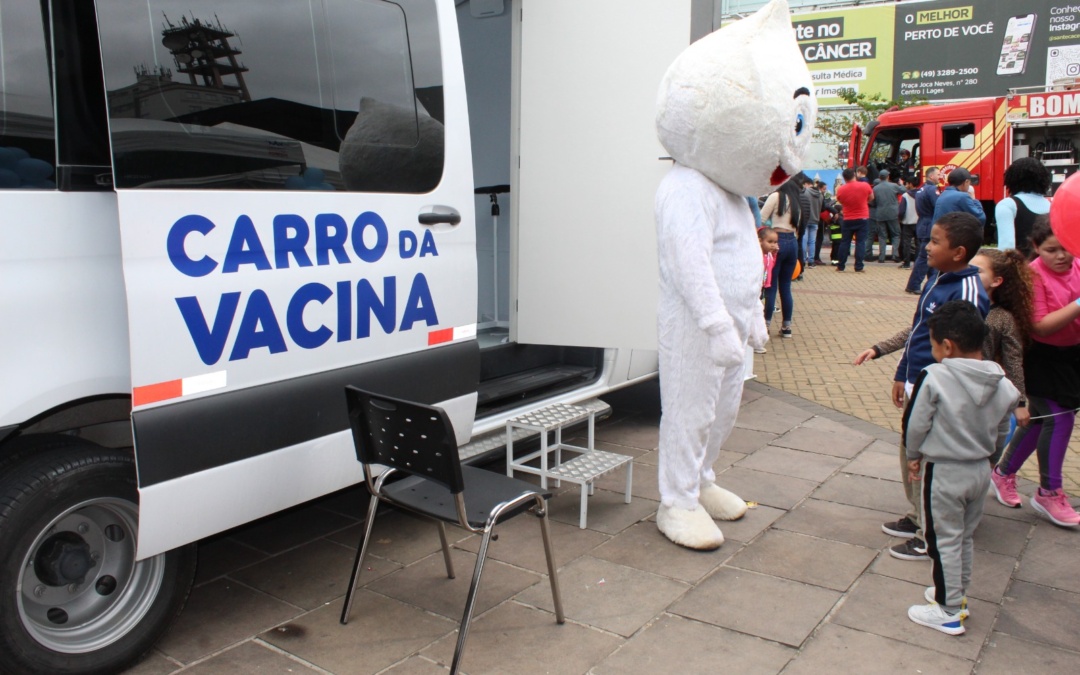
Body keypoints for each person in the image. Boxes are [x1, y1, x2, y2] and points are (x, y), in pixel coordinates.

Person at [853, 212, 989, 561]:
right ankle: (917, 517)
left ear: (958, 252)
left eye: (934, 241)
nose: (926, 246)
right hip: (919, 382)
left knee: (930, 462)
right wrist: (901, 372)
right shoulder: (936, 277)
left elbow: (966, 352)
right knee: (911, 451)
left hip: (943, 392)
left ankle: (932, 534)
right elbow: (918, 332)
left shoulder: (967, 291)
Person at [904, 301, 1019, 636]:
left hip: (943, 470)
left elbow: (916, 424)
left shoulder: (935, 377)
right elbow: (1001, 431)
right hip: (979, 471)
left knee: (941, 540)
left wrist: (914, 454)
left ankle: (948, 609)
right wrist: (991, 460)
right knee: (962, 537)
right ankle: (954, 594)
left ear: (948, 346)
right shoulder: (1004, 384)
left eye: (934, 343)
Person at [991, 217, 1080, 526]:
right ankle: (1049, 491)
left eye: (1067, 249)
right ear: (1035, 247)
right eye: (1051, 250)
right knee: (1059, 418)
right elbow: (1041, 326)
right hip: (1040, 356)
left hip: (1071, 355)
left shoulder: (1078, 265)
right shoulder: (1033, 276)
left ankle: (1002, 474)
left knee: (1041, 421)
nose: (1061, 256)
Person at [970, 248, 1034, 432]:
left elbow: (1013, 360)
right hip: (948, 383)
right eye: (968, 267)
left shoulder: (1003, 318)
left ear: (996, 281)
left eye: (978, 271)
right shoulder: (955, 303)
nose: (970, 273)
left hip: (982, 391)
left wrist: (1020, 402)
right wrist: (881, 348)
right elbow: (917, 331)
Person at [760, 175, 802, 337]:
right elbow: (798, 226)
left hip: (776, 241)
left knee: (771, 285)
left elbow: (762, 217)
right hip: (792, 242)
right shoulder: (796, 199)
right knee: (786, 287)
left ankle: (766, 324)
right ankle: (787, 327)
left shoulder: (776, 197)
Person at [995, 157, 1051, 260]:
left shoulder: (1008, 205)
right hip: (1049, 268)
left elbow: (1007, 247)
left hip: (1022, 270)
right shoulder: (1052, 205)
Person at [906, 167, 940, 294]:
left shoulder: (921, 189)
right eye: (938, 174)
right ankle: (914, 284)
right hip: (929, 225)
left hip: (922, 224)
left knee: (929, 255)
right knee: (924, 257)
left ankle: (932, 282)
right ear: (931, 176)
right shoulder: (932, 190)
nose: (940, 176)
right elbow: (937, 205)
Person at [834, 167, 874, 272]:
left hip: (848, 218)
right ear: (854, 175)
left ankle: (841, 266)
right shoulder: (865, 186)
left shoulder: (841, 189)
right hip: (863, 217)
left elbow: (840, 200)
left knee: (845, 242)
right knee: (860, 242)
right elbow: (871, 198)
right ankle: (859, 267)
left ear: (844, 178)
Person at [871, 170, 906, 263]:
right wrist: (901, 184)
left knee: (882, 236)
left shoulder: (875, 188)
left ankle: (881, 257)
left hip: (880, 214)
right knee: (896, 234)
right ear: (888, 176)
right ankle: (895, 255)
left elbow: (873, 202)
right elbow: (904, 190)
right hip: (893, 214)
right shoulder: (894, 186)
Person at [756, 227, 779, 354]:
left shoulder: (769, 255)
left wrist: (774, 254)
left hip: (764, 285)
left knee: (760, 310)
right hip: (756, 287)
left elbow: (772, 265)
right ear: (760, 241)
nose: (773, 245)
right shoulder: (758, 254)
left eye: (775, 242)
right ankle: (756, 340)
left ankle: (758, 339)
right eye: (770, 242)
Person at [802, 176, 823, 269]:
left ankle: (802, 260)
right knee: (812, 242)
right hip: (815, 220)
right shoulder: (821, 195)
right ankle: (811, 261)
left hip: (806, 220)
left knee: (804, 240)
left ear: (806, 184)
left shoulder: (805, 193)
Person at [899, 176, 920, 269]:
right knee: (918, 243)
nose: (906, 185)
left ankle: (906, 263)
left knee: (906, 243)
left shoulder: (905, 196)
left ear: (911, 184)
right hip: (919, 222)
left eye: (907, 183)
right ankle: (917, 263)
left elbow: (901, 211)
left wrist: (900, 218)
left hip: (907, 222)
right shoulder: (921, 194)